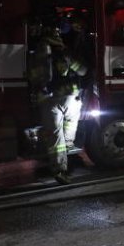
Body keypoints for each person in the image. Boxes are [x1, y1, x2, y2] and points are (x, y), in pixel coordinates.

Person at [30, 23, 87, 184]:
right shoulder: (64, 51)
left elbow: (35, 76)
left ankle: (60, 169)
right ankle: (67, 153)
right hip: (69, 98)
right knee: (67, 131)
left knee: (56, 137)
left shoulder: (39, 50)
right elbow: (82, 70)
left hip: (49, 100)